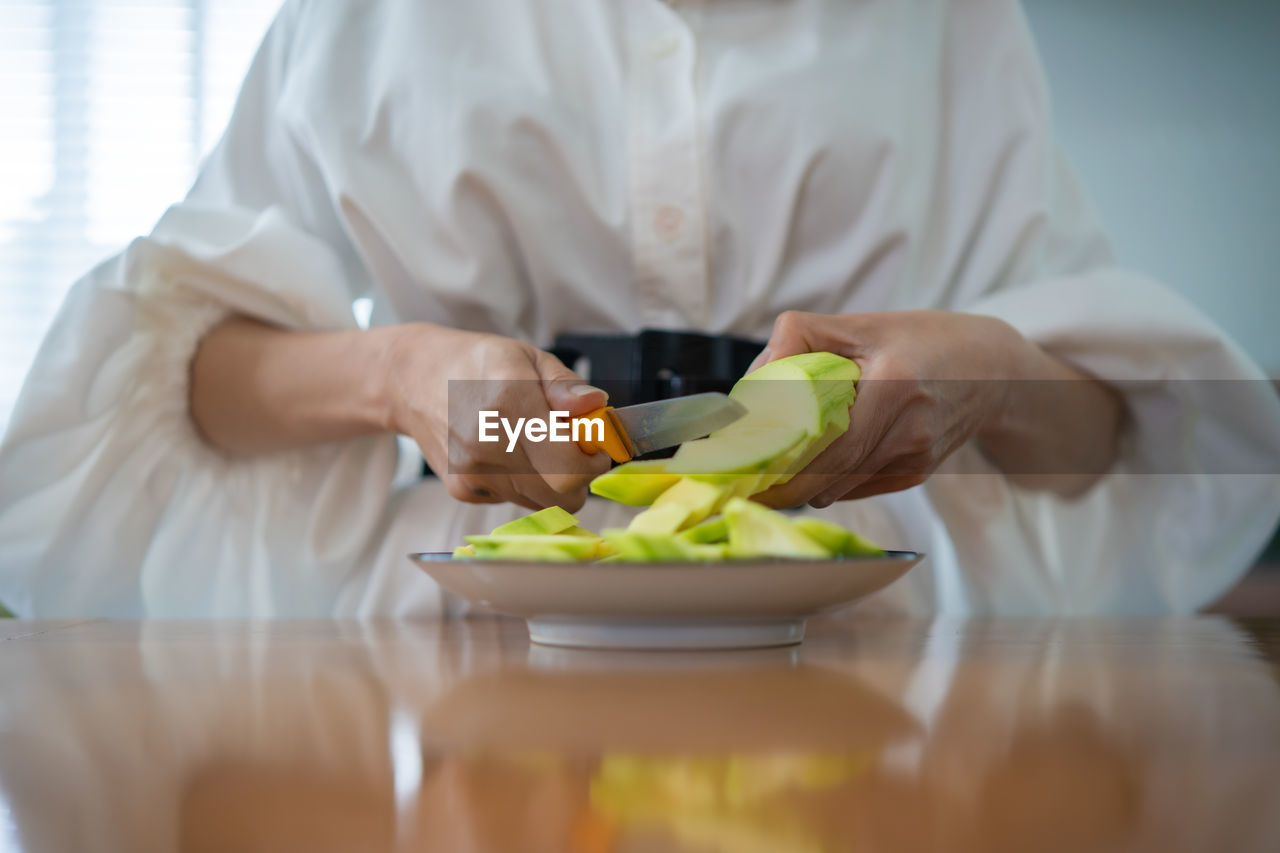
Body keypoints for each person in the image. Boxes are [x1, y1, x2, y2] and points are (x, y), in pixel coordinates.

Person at [0, 0, 1276, 618]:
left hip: (863, 628)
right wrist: (401, 378)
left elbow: (1118, 444)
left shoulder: (946, 22)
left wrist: (993, 370)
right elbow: (184, 386)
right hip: (451, 630)